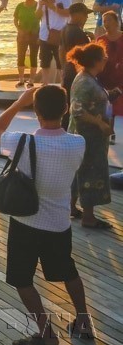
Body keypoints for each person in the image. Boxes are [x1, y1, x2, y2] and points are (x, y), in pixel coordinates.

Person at [0, 85, 95, 345]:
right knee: (68, 271)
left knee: (22, 279)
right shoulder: (78, 143)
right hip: (59, 223)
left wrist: (18, 103)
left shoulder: (21, 142)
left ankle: (46, 334)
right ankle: (83, 321)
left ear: (36, 111)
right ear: (65, 109)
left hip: (26, 222)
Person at [66, 43, 114, 229]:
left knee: (78, 171)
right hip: (88, 137)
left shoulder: (87, 77)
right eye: (104, 57)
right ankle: (88, 217)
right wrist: (100, 123)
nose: (106, 60)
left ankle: (71, 207)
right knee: (91, 172)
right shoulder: (85, 81)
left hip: (87, 135)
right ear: (96, 61)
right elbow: (77, 110)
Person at [38, 0, 71, 85]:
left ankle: (63, 84)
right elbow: (37, 16)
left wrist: (51, 6)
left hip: (60, 34)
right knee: (44, 61)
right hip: (44, 34)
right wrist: (40, 6)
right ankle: (45, 83)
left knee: (61, 61)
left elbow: (67, 13)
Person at [61, 3, 94, 108]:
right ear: (76, 14)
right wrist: (93, 40)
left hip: (68, 70)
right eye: (85, 14)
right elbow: (86, 54)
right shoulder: (77, 32)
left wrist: (63, 68)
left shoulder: (65, 28)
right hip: (77, 73)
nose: (87, 17)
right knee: (78, 105)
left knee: (68, 103)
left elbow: (61, 50)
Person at [96, 11, 123, 116]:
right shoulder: (101, 39)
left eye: (109, 20)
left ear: (117, 22)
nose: (106, 23)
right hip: (105, 76)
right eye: (104, 21)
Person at [14, 0, 40, 87]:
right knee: (20, 56)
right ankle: (21, 79)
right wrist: (19, 29)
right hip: (22, 35)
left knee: (33, 56)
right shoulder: (20, 6)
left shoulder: (38, 6)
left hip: (34, 34)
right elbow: (15, 19)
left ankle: (31, 80)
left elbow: (42, 19)